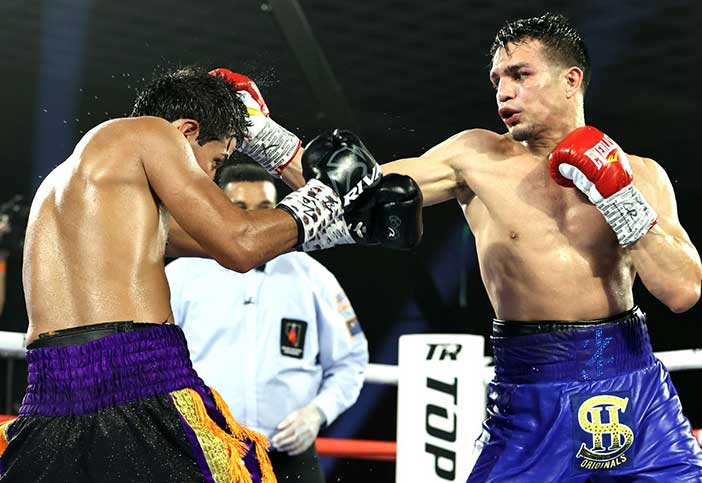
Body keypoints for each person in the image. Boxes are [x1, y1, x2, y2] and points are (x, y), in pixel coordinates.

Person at [232, 14, 702, 482]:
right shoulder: (475, 157)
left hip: (635, 391)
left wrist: (620, 198)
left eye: (521, 74)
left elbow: (683, 290)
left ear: (570, 81)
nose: (504, 91)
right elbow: (357, 195)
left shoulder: (640, 174)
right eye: (498, 79)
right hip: (530, 392)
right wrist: (264, 136)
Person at [0, 66, 417, 483]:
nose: (213, 177)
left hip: (51, 399)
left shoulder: (89, 188)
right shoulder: (151, 134)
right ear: (186, 131)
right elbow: (240, 244)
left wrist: (350, 229)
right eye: (216, 160)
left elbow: (240, 241)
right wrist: (330, 189)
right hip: (138, 381)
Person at [166, 162, 369, 483]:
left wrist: (316, 414)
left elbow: (350, 361)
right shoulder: (180, 275)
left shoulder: (312, 276)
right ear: (219, 209)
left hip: (289, 457)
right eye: (239, 208)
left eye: (264, 208)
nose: (252, 219)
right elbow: (150, 364)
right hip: (205, 452)